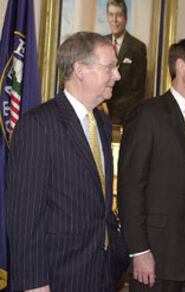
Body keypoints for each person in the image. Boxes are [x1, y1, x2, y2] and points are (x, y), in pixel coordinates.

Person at [6, 31, 129, 292]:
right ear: (80, 69)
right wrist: (34, 283)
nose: (117, 75)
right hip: (58, 276)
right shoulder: (39, 124)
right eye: (110, 67)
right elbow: (25, 215)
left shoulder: (103, 124)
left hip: (102, 273)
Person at [118, 38, 185, 292]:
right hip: (156, 257)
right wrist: (139, 250)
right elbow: (130, 189)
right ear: (181, 66)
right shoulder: (147, 114)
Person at [106, 0, 147, 125]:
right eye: (111, 15)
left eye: (118, 15)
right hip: (99, 112)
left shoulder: (137, 47)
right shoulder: (100, 43)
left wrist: (114, 113)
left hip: (124, 117)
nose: (115, 20)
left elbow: (138, 90)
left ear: (126, 18)